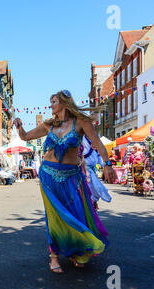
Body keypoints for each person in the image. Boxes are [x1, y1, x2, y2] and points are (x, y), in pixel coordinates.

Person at [14, 89, 114, 274]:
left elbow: (98, 143)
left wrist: (107, 164)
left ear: (64, 103)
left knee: (74, 213)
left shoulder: (81, 122)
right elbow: (25, 137)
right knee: (54, 215)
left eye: (53, 101)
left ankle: (76, 251)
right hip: (48, 176)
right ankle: (54, 256)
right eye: (50, 101)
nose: (51, 105)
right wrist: (19, 126)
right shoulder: (48, 125)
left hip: (72, 177)